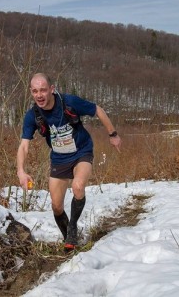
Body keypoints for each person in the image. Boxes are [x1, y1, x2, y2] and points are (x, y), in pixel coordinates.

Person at [16, 73, 121, 252]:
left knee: (78, 187)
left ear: (52, 89)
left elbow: (97, 110)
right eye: (35, 91)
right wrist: (21, 170)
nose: (39, 95)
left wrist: (113, 134)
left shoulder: (69, 102)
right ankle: (70, 240)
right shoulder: (32, 116)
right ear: (31, 92)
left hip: (82, 151)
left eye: (43, 90)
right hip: (59, 158)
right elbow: (24, 145)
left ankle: (72, 229)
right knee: (56, 206)